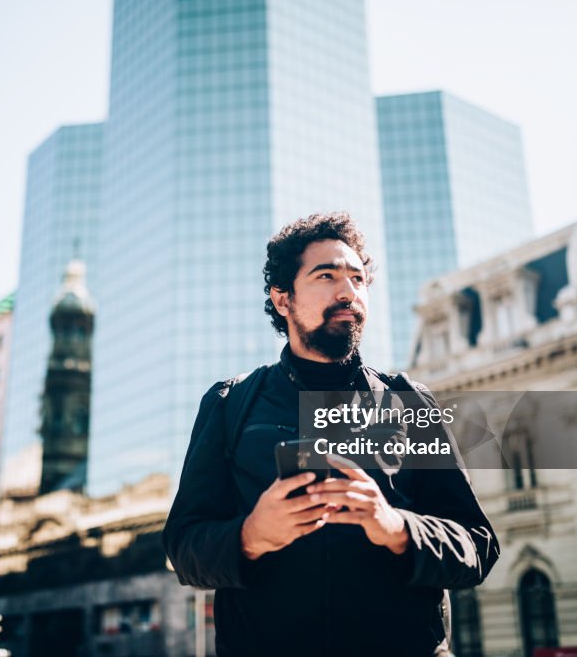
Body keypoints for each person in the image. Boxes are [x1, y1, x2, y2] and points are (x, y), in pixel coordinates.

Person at [162, 212, 499, 656]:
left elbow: (477, 544)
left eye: (358, 279)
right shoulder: (231, 404)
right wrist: (251, 536)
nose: (348, 292)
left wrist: (398, 528)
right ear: (282, 299)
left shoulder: (411, 403)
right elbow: (184, 548)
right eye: (326, 276)